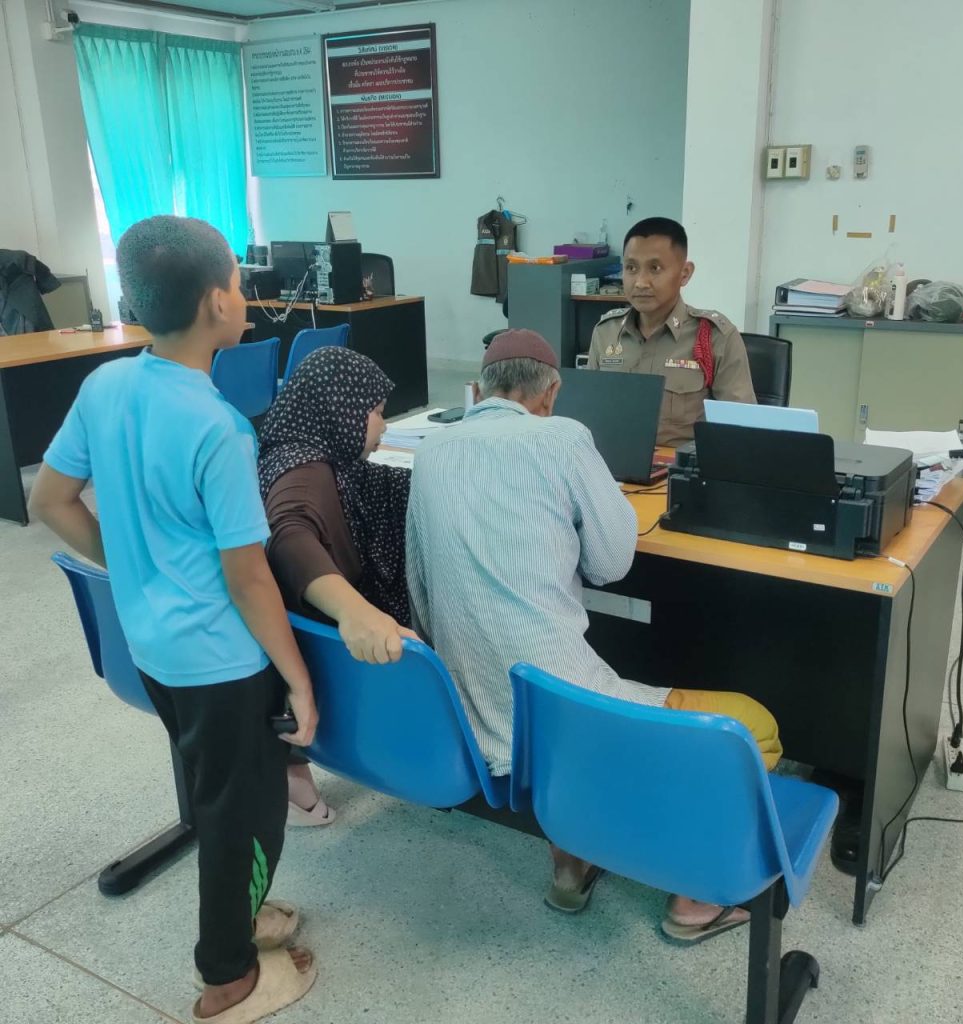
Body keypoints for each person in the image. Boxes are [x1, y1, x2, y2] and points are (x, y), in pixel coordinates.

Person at [29, 216, 318, 1023]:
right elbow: (248, 577)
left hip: (152, 647)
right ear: (216, 302)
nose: (244, 294)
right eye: (238, 282)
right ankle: (229, 976)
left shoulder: (106, 385)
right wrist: (297, 678)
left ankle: (239, 916)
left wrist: (135, 565)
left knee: (211, 792)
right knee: (245, 816)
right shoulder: (219, 427)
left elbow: (49, 499)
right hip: (222, 662)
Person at [406, 328, 782, 944]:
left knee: (564, 681)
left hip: (474, 711)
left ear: (484, 385)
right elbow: (610, 565)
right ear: (551, 392)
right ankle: (695, 896)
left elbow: (419, 585)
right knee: (755, 727)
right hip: (560, 714)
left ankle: (571, 861)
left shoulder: (431, 450)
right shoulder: (563, 437)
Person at [257, 347, 415, 827]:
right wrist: (355, 611)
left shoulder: (302, 450)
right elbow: (290, 538)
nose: (384, 425)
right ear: (341, 410)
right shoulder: (304, 474)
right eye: (377, 412)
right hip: (322, 663)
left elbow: (373, 483)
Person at [586, 217, 755, 446]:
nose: (641, 282)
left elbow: (740, 433)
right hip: (612, 464)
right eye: (631, 268)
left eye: (655, 268)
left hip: (680, 465)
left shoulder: (714, 337)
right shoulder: (606, 332)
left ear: (685, 273)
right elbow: (590, 416)